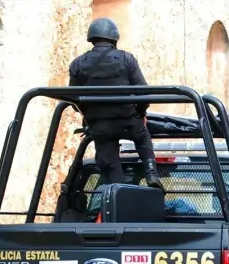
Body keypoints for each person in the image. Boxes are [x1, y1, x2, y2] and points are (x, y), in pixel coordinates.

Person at [69, 18, 164, 191]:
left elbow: (73, 98)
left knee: (112, 174)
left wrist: (90, 116)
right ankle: (151, 174)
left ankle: (117, 195)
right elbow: (143, 92)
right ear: (114, 38)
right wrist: (141, 115)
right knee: (142, 137)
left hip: (100, 127)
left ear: (92, 38)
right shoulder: (126, 59)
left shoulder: (77, 63)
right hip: (127, 121)